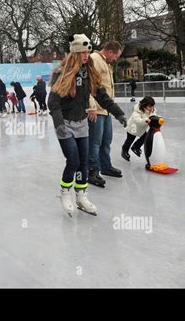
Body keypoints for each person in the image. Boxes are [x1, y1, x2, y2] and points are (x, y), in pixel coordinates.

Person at [48, 34, 127, 217]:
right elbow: (52, 101)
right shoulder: (62, 72)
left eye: (87, 51)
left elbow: (101, 95)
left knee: (83, 163)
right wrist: (59, 124)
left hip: (82, 124)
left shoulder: (88, 73)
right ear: (75, 53)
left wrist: (118, 112)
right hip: (65, 125)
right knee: (73, 161)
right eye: (82, 52)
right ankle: (65, 193)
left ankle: (81, 196)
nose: (86, 55)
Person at [87, 41, 125, 187]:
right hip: (96, 109)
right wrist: (91, 107)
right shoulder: (95, 60)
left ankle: (105, 166)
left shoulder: (106, 63)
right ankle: (92, 171)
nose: (116, 59)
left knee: (106, 140)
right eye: (116, 56)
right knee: (95, 142)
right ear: (109, 51)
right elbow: (90, 85)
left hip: (105, 109)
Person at [121, 96, 156, 161]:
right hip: (133, 128)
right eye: (150, 106)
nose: (151, 108)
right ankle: (124, 151)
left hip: (141, 128)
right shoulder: (137, 110)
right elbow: (137, 119)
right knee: (130, 139)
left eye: (152, 106)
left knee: (145, 137)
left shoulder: (151, 110)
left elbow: (154, 116)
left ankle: (136, 147)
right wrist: (145, 120)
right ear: (144, 105)